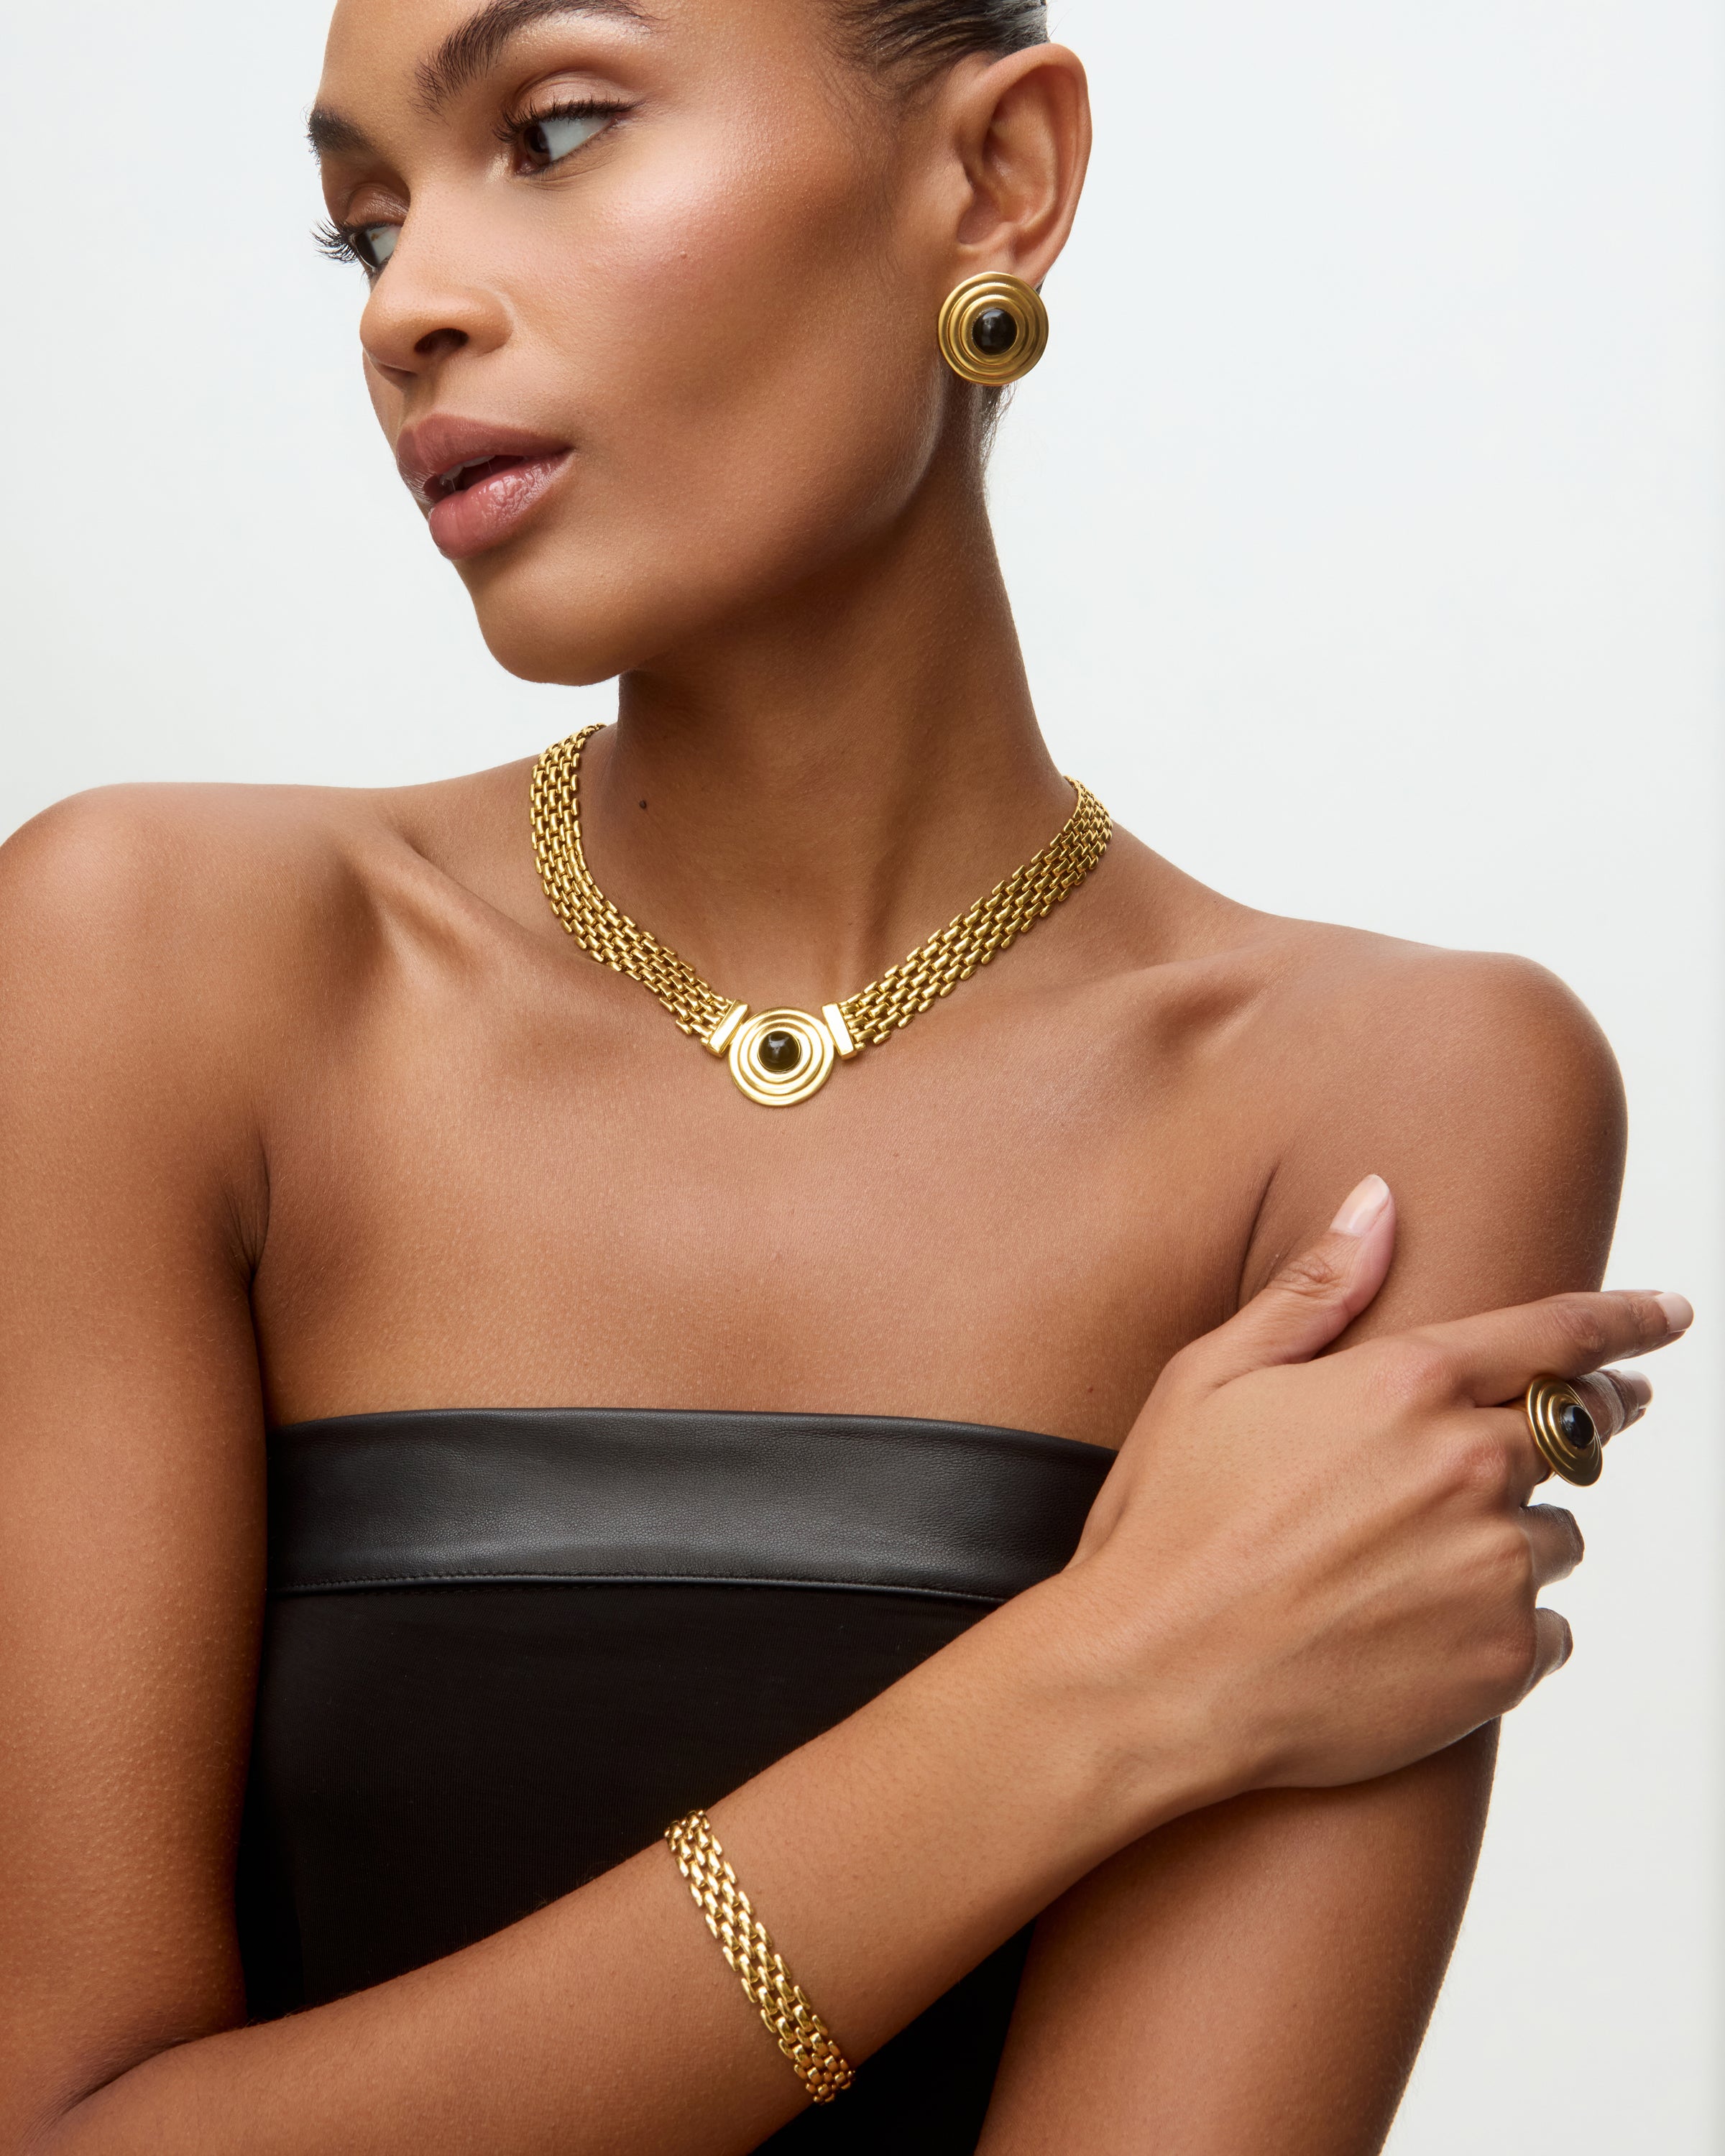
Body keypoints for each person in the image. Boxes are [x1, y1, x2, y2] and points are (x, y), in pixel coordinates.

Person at [0, 0, 1690, 2150]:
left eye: (560, 126)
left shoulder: (1387, 1102)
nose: (411, 303)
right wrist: (1099, 1686)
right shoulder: (150, 962)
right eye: (363, 225)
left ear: (996, 179)